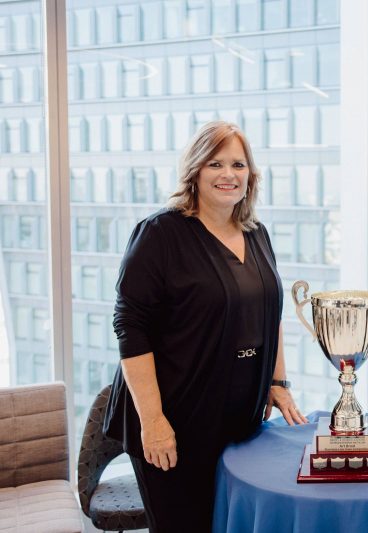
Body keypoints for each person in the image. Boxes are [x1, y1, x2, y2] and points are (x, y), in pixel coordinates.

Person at [103, 121, 308, 532]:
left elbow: (271, 315)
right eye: (215, 163)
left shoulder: (257, 234)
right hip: (175, 418)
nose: (228, 174)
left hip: (237, 419)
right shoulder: (160, 234)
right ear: (195, 171)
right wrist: (155, 422)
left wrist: (277, 382)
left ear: (251, 176)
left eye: (238, 164)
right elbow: (131, 327)